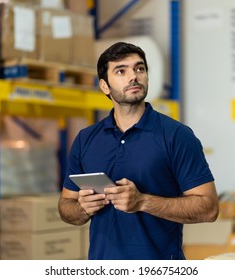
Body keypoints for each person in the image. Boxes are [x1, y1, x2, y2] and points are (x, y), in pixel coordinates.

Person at [58, 42, 219, 260]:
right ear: (104, 86)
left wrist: (142, 202)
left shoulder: (176, 135)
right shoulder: (86, 139)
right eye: (121, 71)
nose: (133, 76)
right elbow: (66, 207)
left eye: (139, 68)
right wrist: (83, 208)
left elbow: (209, 208)